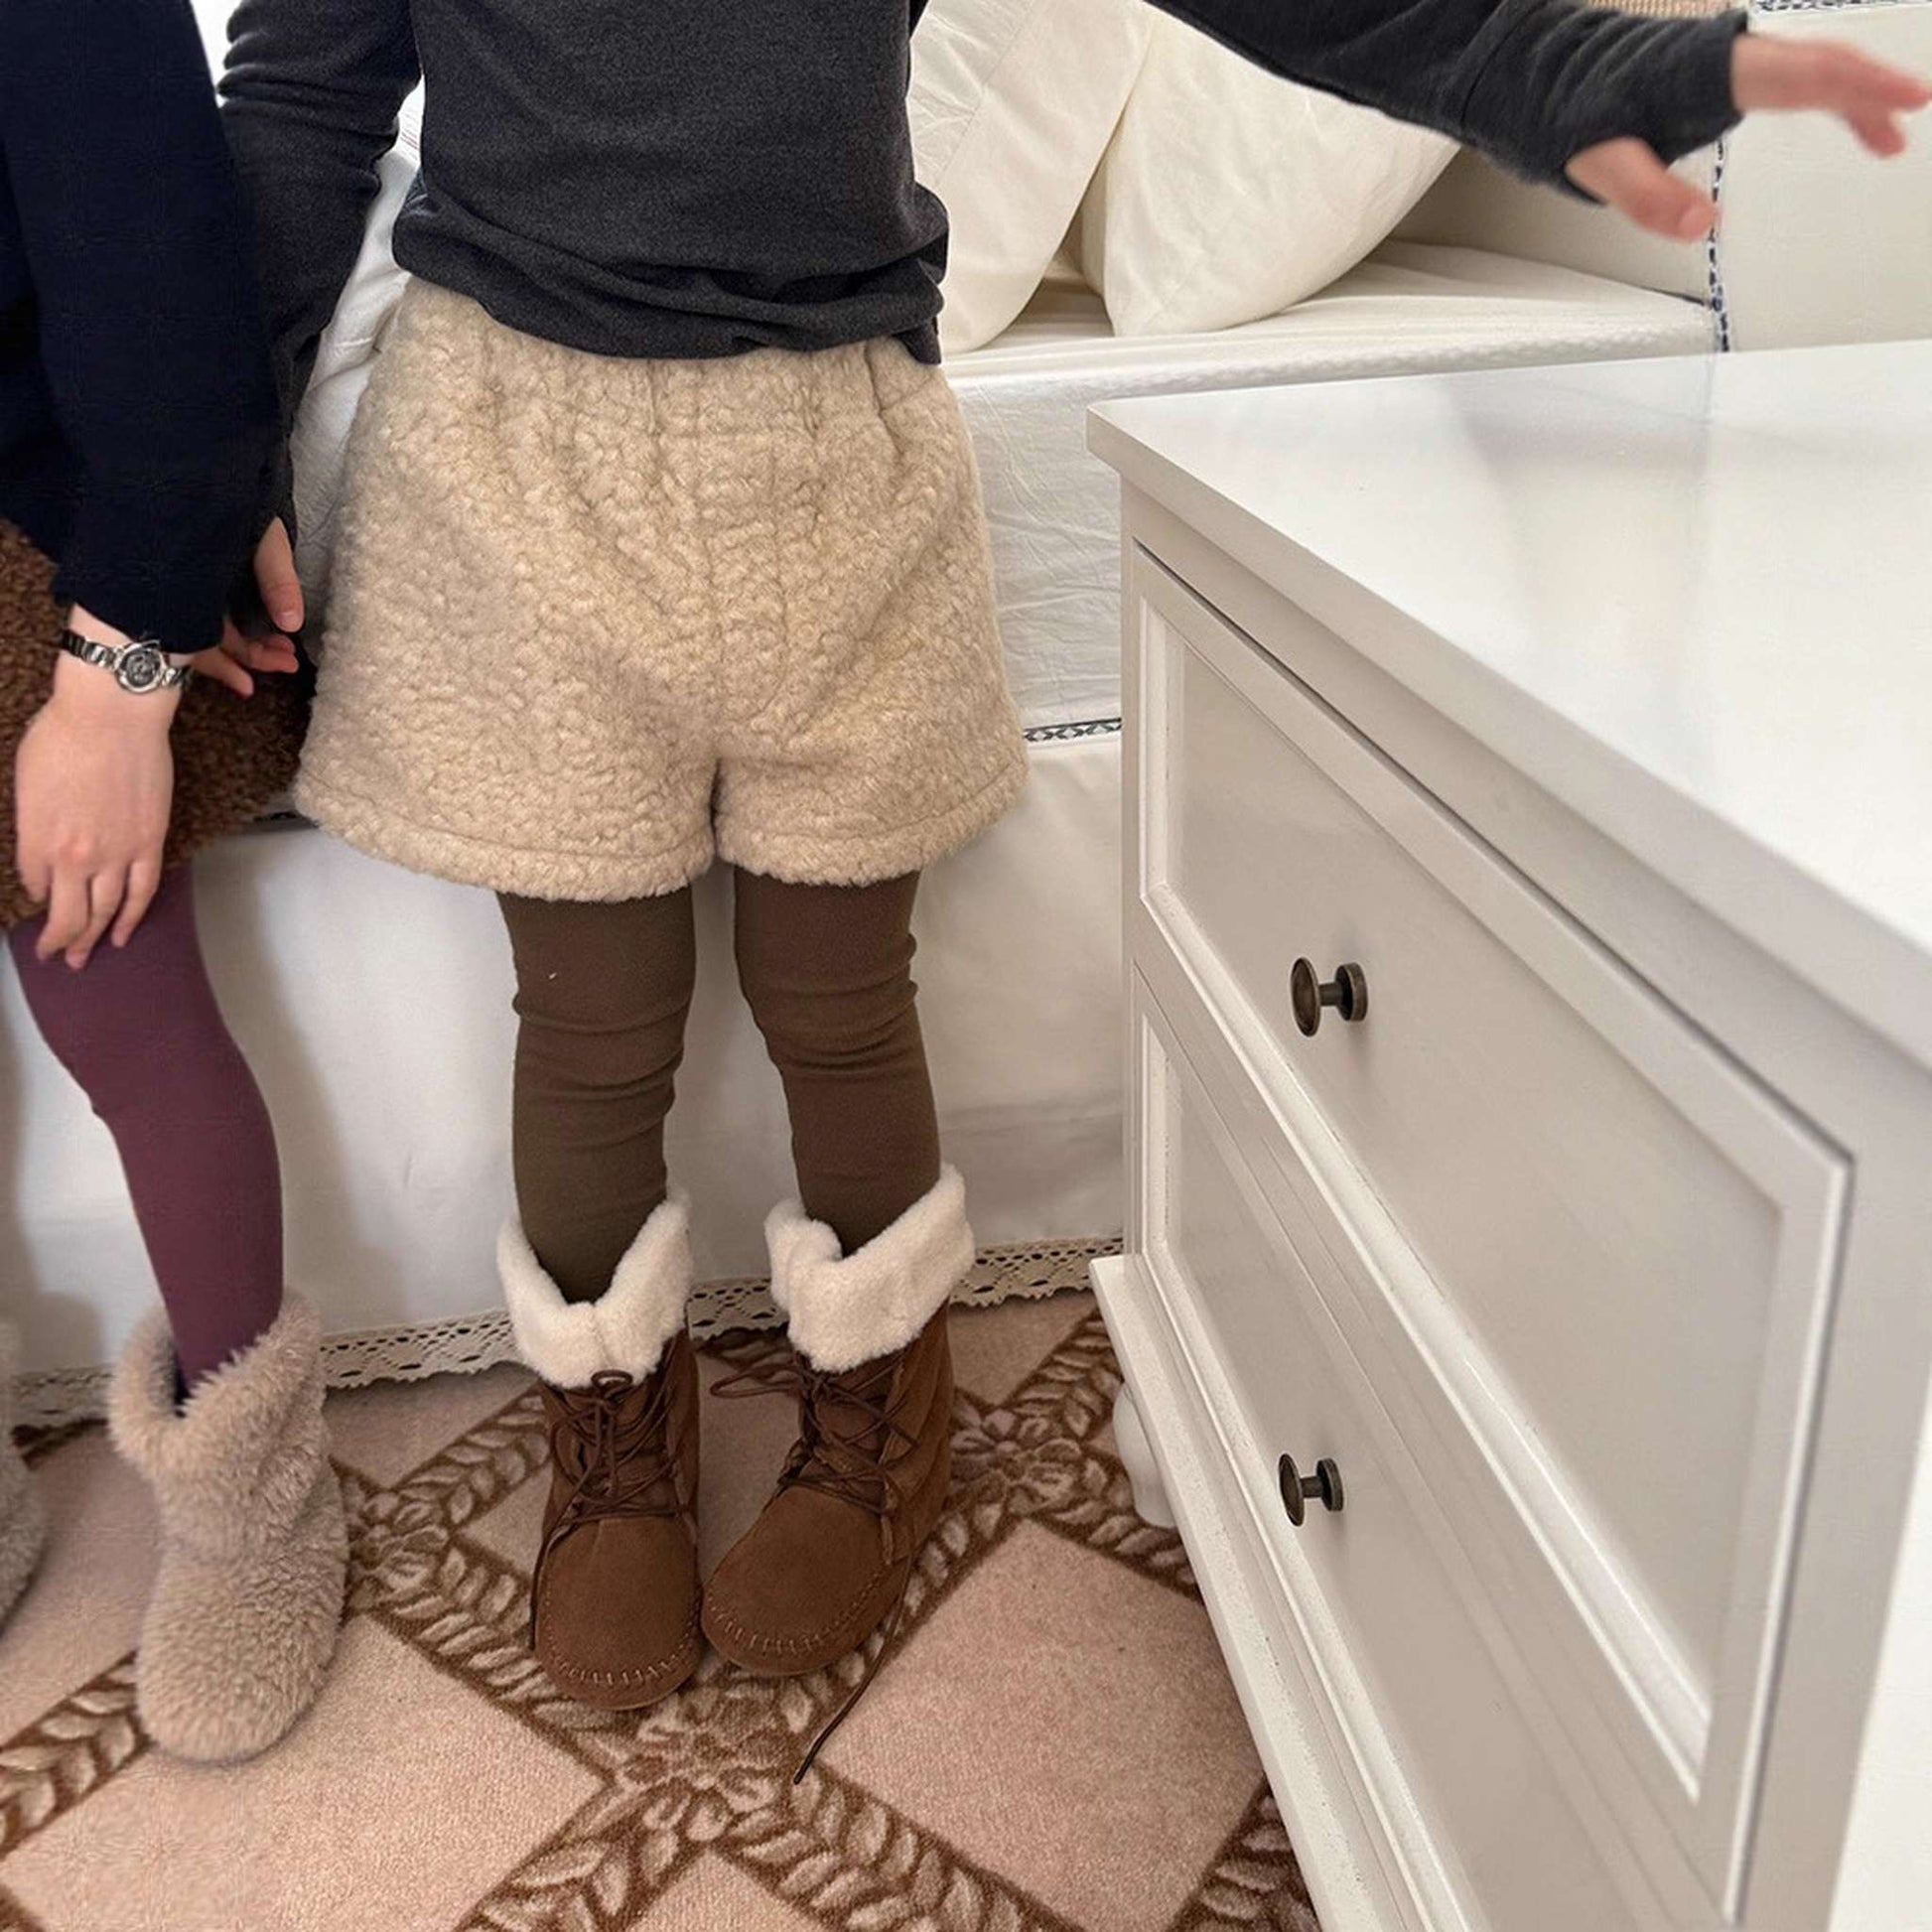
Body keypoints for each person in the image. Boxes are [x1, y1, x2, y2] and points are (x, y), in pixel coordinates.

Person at [214, 0, 1926, 1761]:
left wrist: (1566, 75)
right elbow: (297, 103)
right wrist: (218, 467)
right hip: (516, 452)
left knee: (838, 997)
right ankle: (612, 1427)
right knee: (588, 1025)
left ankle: (882, 1402)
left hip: (836, 448)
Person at [0, 0, 346, 1763]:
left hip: (39, 538)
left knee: (116, 999)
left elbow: (157, 267)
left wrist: (121, 649)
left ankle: (251, 1503)